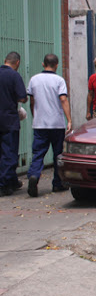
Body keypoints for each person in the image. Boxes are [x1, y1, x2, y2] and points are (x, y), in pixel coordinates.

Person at [26, 54, 72, 197]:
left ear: (43, 64)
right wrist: (69, 119)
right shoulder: (59, 80)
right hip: (56, 124)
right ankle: (57, 183)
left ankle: (34, 175)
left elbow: (32, 101)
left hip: (40, 124)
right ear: (57, 65)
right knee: (58, 154)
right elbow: (63, 99)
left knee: (38, 153)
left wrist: (35, 115)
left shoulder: (34, 79)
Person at [0, 52, 28, 196]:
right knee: (9, 153)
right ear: (17, 63)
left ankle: (11, 180)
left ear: (5, 60)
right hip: (9, 120)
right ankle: (3, 184)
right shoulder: (14, 76)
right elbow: (22, 97)